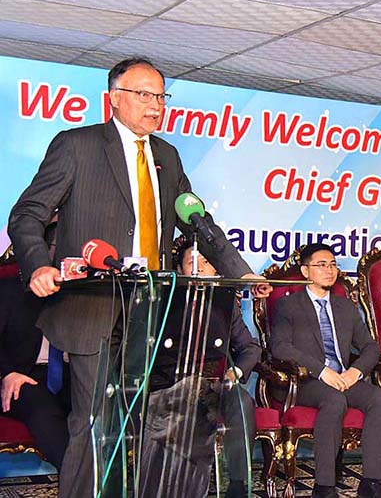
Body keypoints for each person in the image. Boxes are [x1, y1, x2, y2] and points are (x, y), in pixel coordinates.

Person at [7, 57, 270, 497]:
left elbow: (197, 222)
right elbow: (27, 214)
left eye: (161, 96)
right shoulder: (77, 146)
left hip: (150, 313)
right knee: (95, 426)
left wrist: (239, 273)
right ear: (115, 98)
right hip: (91, 306)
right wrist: (37, 264)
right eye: (144, 94)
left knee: (150, 424)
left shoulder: (167, 156)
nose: (155, 105)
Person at [138, 239, 261, 498]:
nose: (201, 269)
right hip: (170, 386)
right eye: (193, 263)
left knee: (242, 402)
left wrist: (234, 373)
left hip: (216, 384)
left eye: (207, 263)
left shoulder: (226, 305)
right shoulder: (162, 302)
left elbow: (251, 348)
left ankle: (237, 486)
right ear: (180, 270)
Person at [271, 243, 381, 498]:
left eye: (333, 264)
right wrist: (321, 371)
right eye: (322, 265)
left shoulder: (345, 307)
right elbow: (280, 348)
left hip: (343, 378)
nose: (329, 270)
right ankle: (324, 486)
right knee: (334, 400)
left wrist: (355, 373)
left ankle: (371, 482)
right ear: (305, 271)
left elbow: (371, 347)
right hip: (307, 381)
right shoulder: (288, 306)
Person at [0, 257, 70, 470]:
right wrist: (7, 373)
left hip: (74, 372)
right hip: (22, 376)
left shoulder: (83, 289)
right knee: (43, 412)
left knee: (96, 409)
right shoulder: (9, 289)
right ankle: (79, 485)